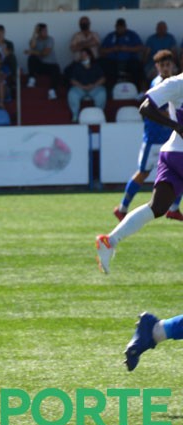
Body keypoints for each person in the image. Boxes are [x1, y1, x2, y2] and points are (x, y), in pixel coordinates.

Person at [95, 57, 183, 275]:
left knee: (157, 207)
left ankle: (110, 241)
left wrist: (175, 127)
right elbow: (145, 108)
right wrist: (177, 125)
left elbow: (145, 107)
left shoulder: (176, 83)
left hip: (170, 153)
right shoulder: (177, 83)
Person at [114, 50, 182, 221]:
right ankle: (123, 207)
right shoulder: (159, 84)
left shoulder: (174, 83)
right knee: (143, 173)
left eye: (169, 64)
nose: (166, 68)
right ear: (157, 67)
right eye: (163, 65)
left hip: (168, 139)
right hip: (153, 138)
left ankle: (174, 208)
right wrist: (175, 123)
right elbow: (152, 109)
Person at [99, 18, 145, 91]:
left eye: (122, 27)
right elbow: (101, 50)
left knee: (137, 67)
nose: (120, 29)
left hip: (129, 61)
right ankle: (109, 93)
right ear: (116, 27)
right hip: (113, 62)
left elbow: (141, 48)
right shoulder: (110, 36)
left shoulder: (132, 35)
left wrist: (127, 49)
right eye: (118, 27)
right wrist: (113, 49)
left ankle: (137, 91)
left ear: (125, 27)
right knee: (104, 66)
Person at [65, 48, 106, 123]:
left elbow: (102, 78)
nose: (83, 56)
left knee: (102, 93)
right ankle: (75, 115)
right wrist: (82, 86)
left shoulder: (96, 66)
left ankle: (99, 113)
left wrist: (94, 85)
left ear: (90, 56)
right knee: (72, 93)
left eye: (85, 55)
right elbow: (72, 80)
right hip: (80, 88)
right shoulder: (77, 66)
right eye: (82, 55)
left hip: (94, 88)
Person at [24, 23, 61, 100]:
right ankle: (32, 79)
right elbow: (32, 46)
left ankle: (52, 91)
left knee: (56, 68)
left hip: (50, 65)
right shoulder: (35, 39)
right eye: (44, 31)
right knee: (32, 58)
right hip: (40, 66)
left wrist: (32, 52)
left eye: (46, 30)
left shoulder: (50, 39)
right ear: (39, 32)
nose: (46, 32)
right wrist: (34, 32)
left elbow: (45, 53)